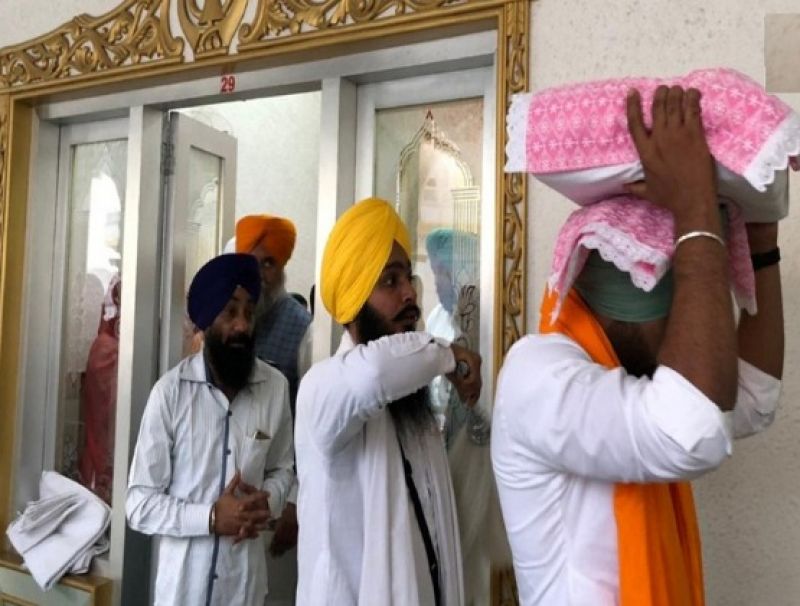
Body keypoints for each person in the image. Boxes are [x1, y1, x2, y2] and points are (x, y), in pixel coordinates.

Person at [492, 86, 784, 605]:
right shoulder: (535, 375)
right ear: (626, 304)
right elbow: (692, 428)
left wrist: (760, 243)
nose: (686, 332)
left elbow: (753, 398)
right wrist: (694, 208)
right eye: (676, 309)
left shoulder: (640, 384)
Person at [295, 197, 482, 606]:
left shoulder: (411, 403)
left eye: (408, 280)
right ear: (354, 298)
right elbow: (375, 374)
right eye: (389, 281)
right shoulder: (323, 389)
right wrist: (449, 355)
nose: (409, 296)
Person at [126, 253, 295, 606]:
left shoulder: (275, 387)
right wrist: (211, 517)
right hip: (182, 593)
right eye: (230, 312)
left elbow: (283, 469)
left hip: (244, 590)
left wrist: (269, 502)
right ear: (206, 319)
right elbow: (139, 504)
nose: (242, 326)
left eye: (249, 312)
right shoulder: (171, 393)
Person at [235, 214, 312, 564]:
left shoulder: (302, 330)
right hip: (226, 500)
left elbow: (311, 426)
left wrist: (295, 503)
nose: (259, 274)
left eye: (269, 263)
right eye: (252, 263)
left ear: (281, 269)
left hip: (276, 499)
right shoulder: (231, 320)